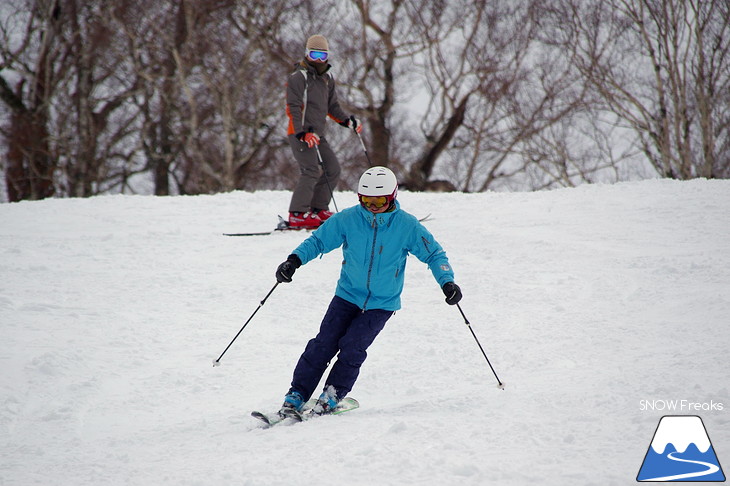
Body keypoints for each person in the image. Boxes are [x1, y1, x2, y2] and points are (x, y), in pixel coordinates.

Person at [273, 166, 463, 417]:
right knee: (323, 345)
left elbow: (434, 254)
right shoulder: (348, 219)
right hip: (347, 295)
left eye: (379, 201)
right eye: (367, 200)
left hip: (382, 303)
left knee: (352, 347)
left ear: (392, 196)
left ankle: (332, 394)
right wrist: (294, 260)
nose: (372, 206)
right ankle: (297, 394)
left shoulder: (407, 225)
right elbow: (318, 240)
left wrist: (447, 281)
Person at [285, 34, 362, 229]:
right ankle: (297, 214)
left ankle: (318, 209)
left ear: (327, 56)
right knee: (311, 170)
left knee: (333, 168)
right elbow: (293, 108)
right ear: (307, 54)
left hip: (318, 134)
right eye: (314, 54)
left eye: (322, 55)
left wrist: (347, 121)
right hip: (300, 133)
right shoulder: (299, 77)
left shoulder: (327, 78)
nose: (318, 60)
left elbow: (332, 106)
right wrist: (302, 133)